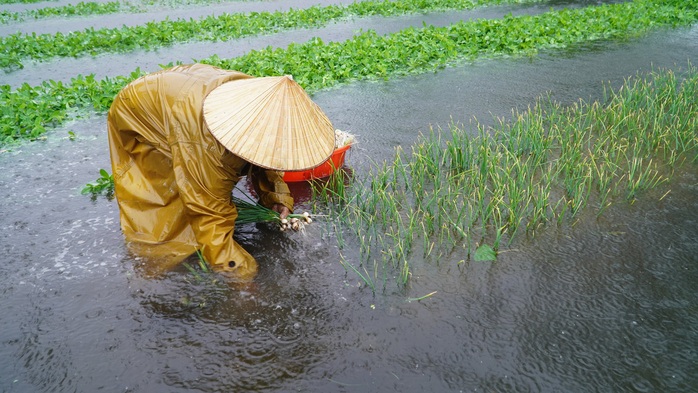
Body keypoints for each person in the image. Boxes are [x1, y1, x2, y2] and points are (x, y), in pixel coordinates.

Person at [107, 63, 335, 281]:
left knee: (199, 187)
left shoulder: (264, 100)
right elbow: (209, 214)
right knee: (166, 210)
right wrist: (241, 275)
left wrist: (276, 196)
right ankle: (149, 268)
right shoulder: (204, 145)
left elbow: (266, 149)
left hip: (185, 91)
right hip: (138, 110)